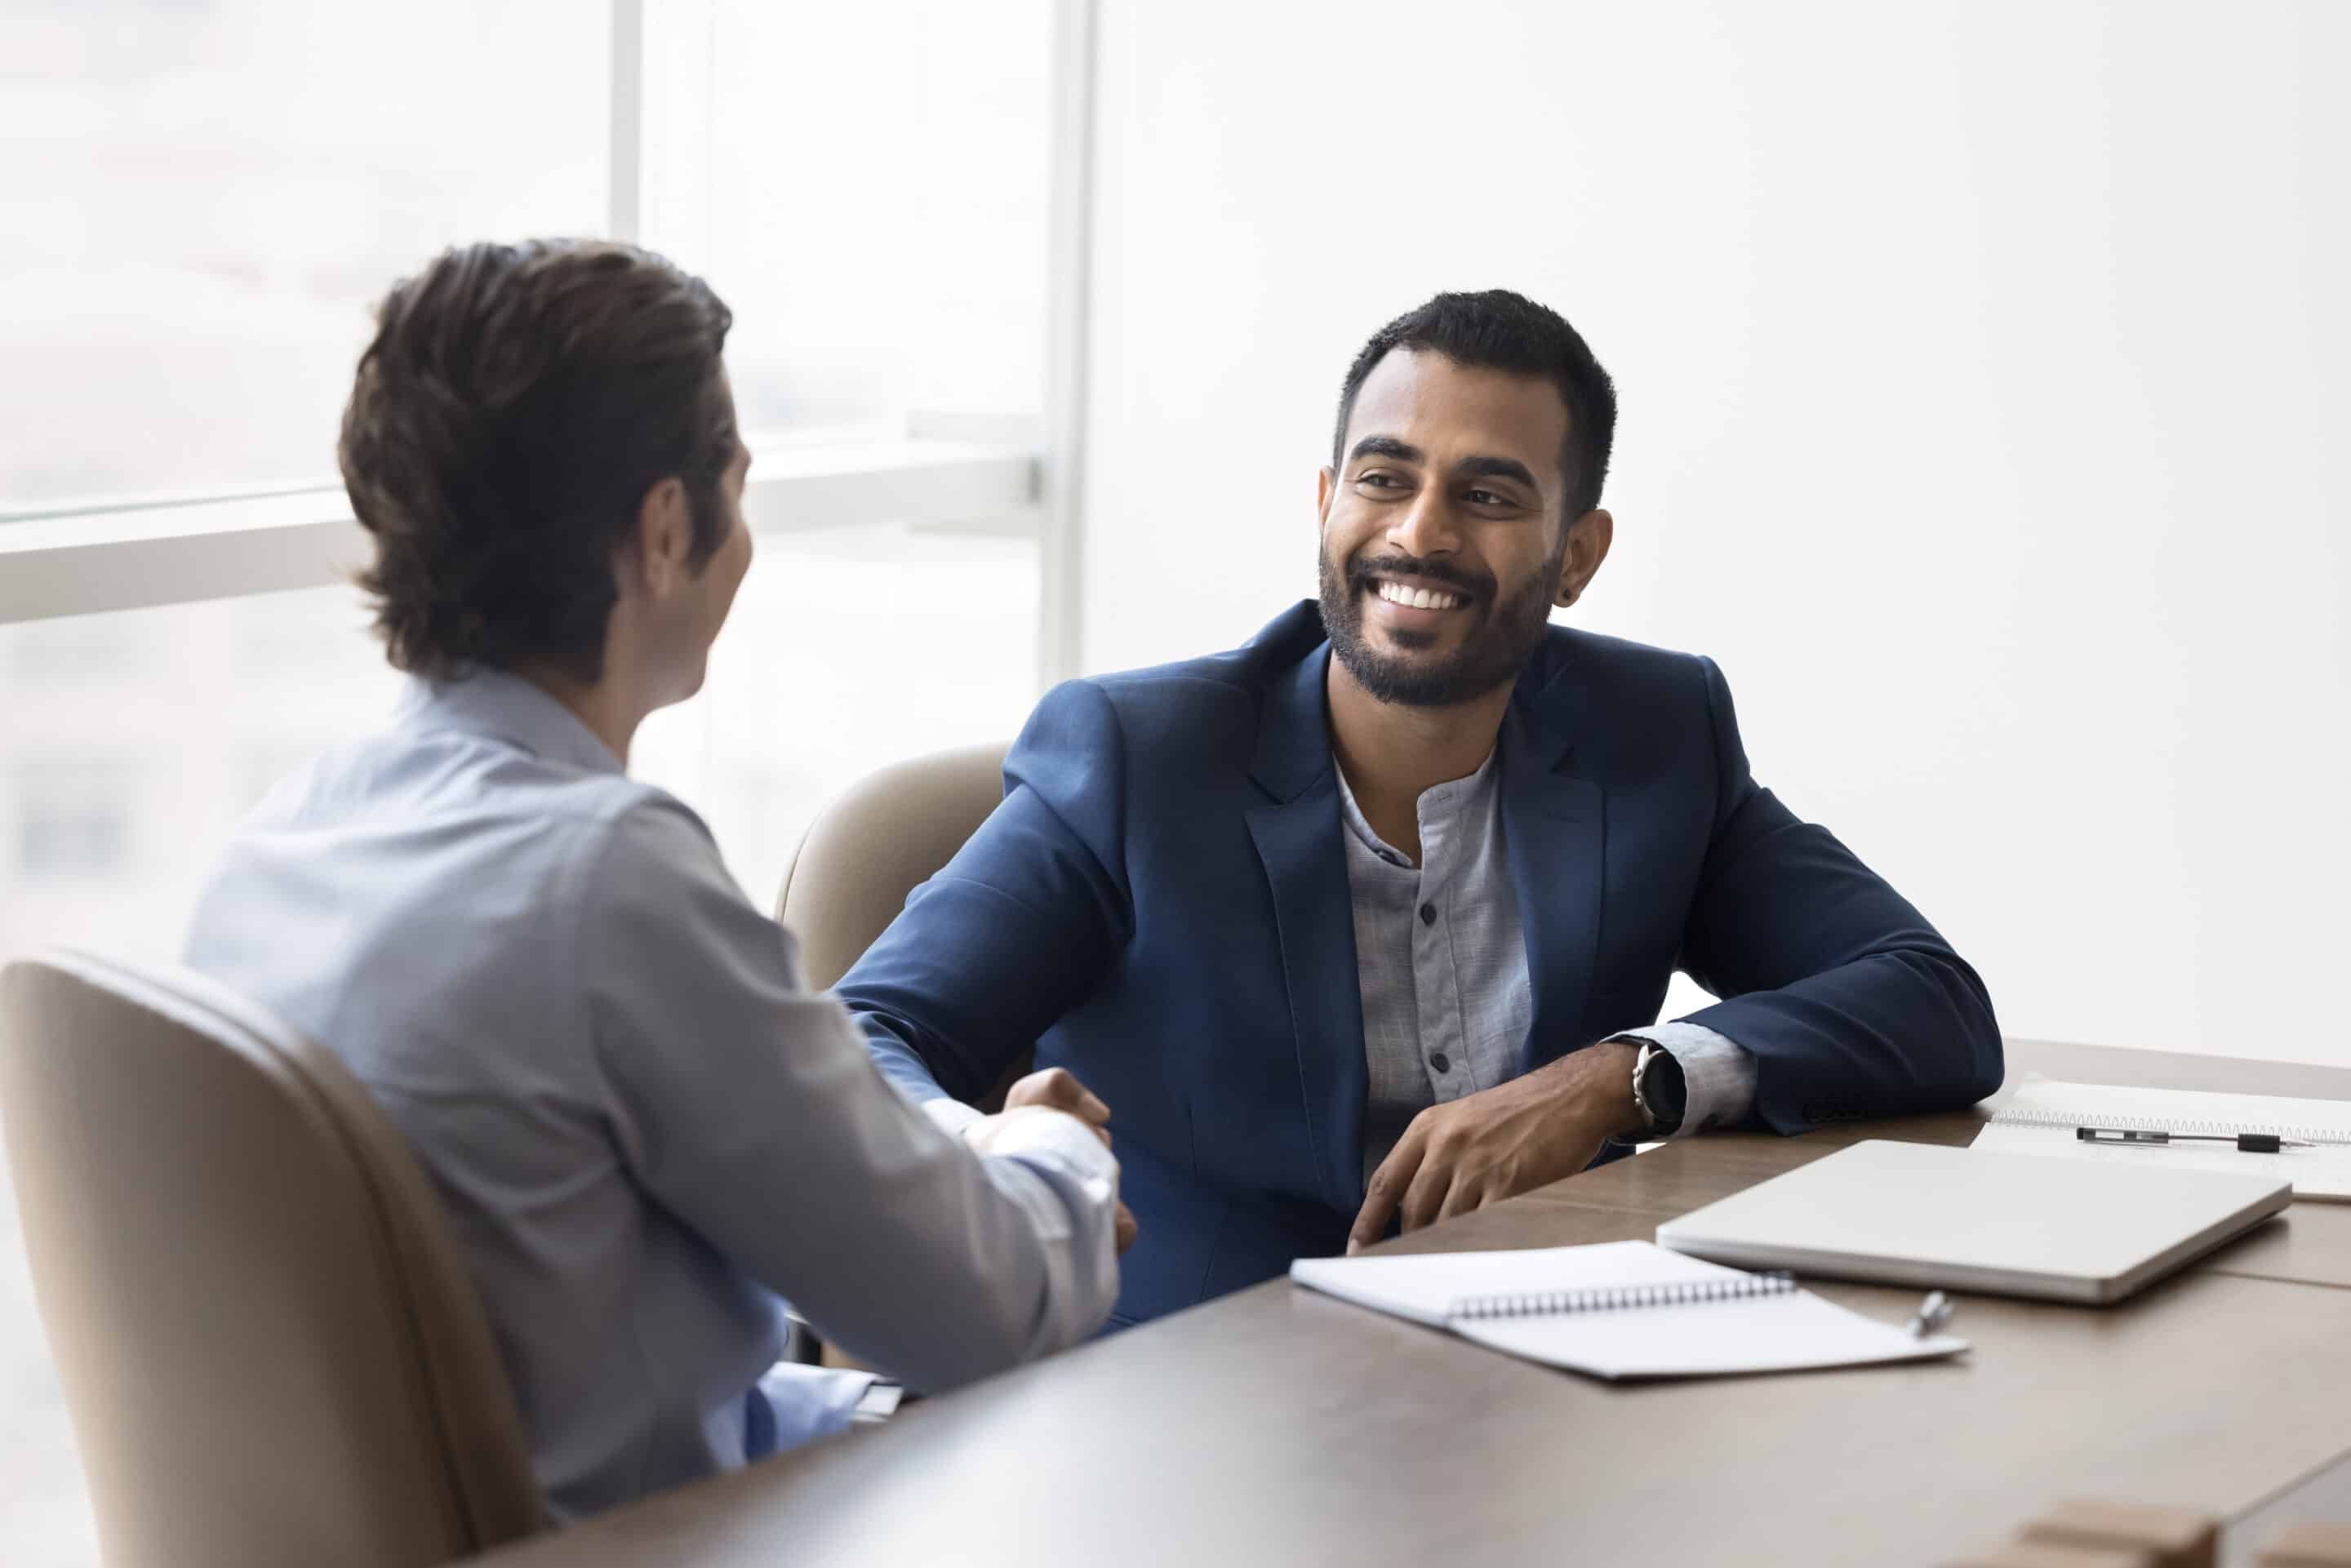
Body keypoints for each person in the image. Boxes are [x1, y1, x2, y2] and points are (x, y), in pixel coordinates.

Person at [184, 239, 1127, 1520]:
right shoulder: (605, 885)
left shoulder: (277, 845)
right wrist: (1052, 1153)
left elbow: (607, 1360)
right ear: (669, 527)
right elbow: (988, 1312)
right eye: (737, 475)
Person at [842, 288, 2002, 1330]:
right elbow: (860, 1035)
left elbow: (1930, 998)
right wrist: (991, 1145)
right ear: (1325, 501)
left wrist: (1618, 1076)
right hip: (1186, 1400)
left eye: (1488, 493)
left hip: (1533, 1382)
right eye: (1383, 477)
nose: (1421, 532)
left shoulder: (1652, 735)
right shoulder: (1136, 761)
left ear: (1577, 554)